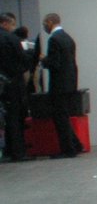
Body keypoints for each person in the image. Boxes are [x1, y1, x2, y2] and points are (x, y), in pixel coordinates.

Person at [37, 12, 84, 158]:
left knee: (60, 117)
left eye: (45, 22)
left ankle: (68, 149)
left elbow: (55, 63)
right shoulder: (68, 38)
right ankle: (76, 144)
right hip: (70, 82)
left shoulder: (54, 39)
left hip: (59, 84)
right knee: (65, 115)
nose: (44, 25)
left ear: (50, 22)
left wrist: (43, 60)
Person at [0, 12, 29, 162]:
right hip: (13, 82)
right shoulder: (11, 38)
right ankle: (18, 152)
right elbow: (24, 60)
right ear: (5, 23)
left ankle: (7, 150)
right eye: (12, 24)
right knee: (15, 117)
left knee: (5, 117)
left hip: (2, 83)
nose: (13, 27)